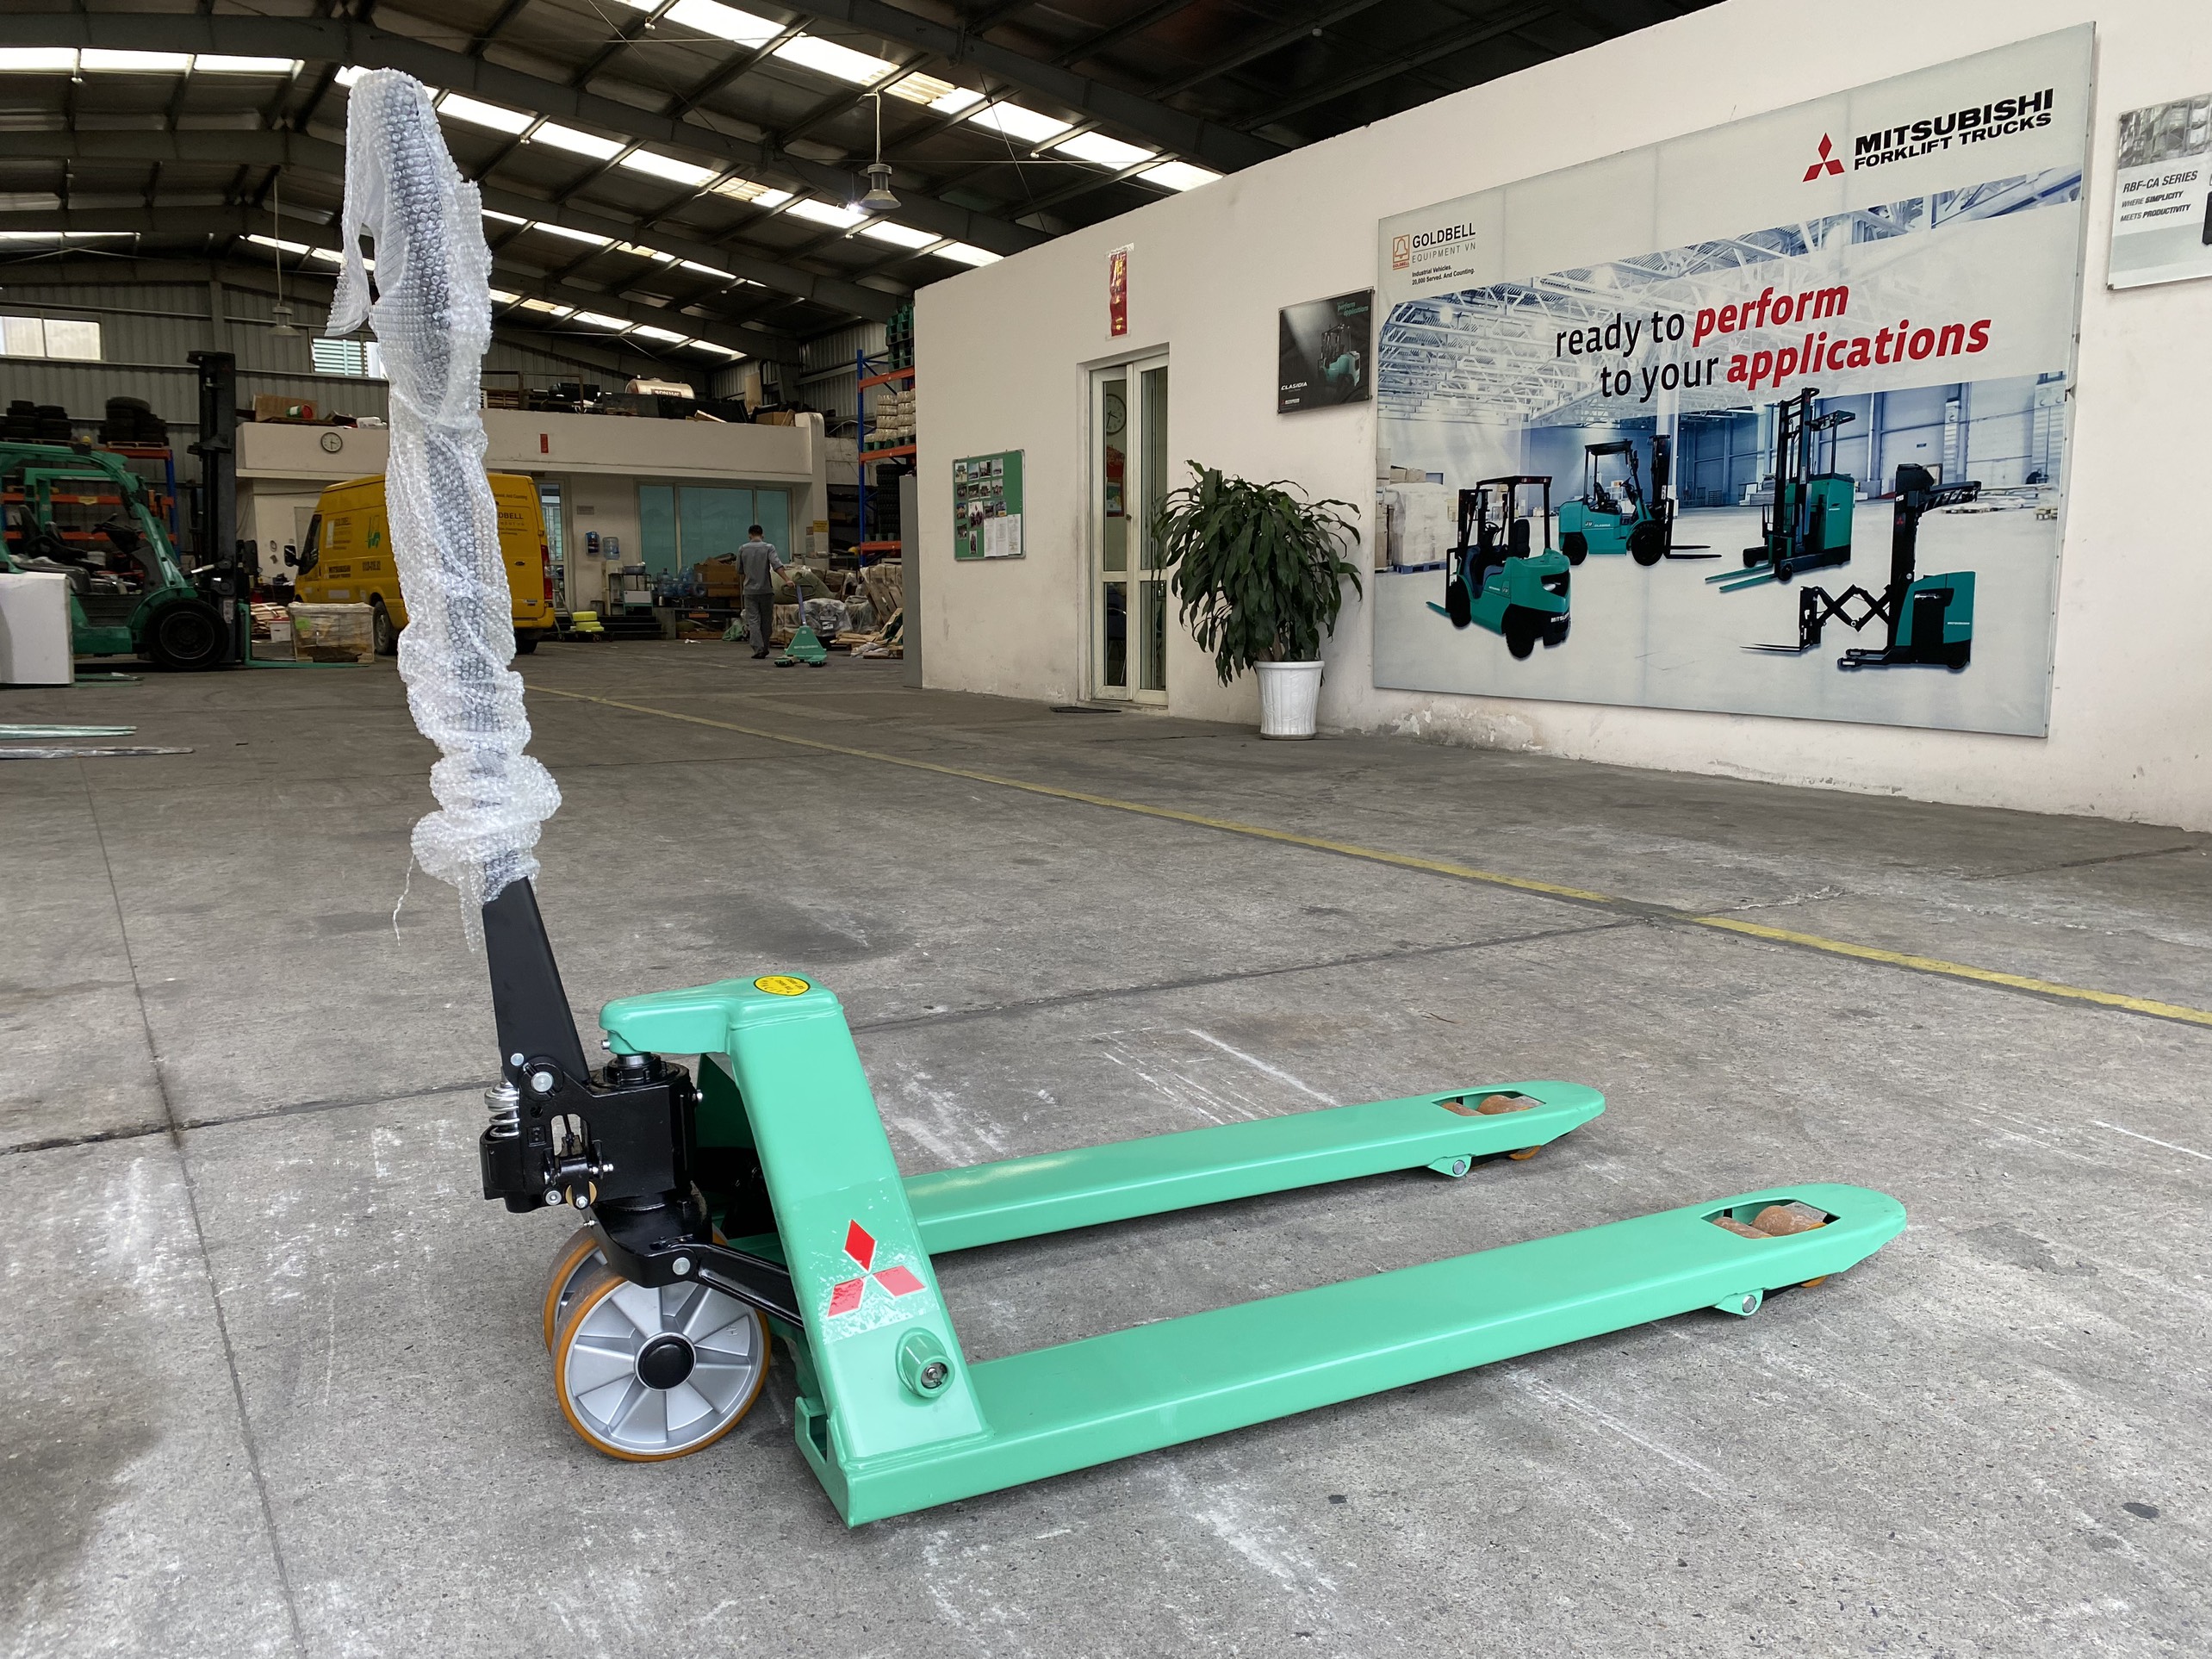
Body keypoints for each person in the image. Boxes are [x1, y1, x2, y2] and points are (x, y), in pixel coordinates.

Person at [735, 523, 785, 658]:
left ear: (749, 535)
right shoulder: (769, 548)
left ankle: (758, 649)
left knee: (753, 620)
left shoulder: (742, 549)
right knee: (766, 620)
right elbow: (776, 565)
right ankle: (765, 647)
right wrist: (787, 579)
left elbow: (739, 570)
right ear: (762, 535)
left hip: (750, 591)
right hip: (766, 590)